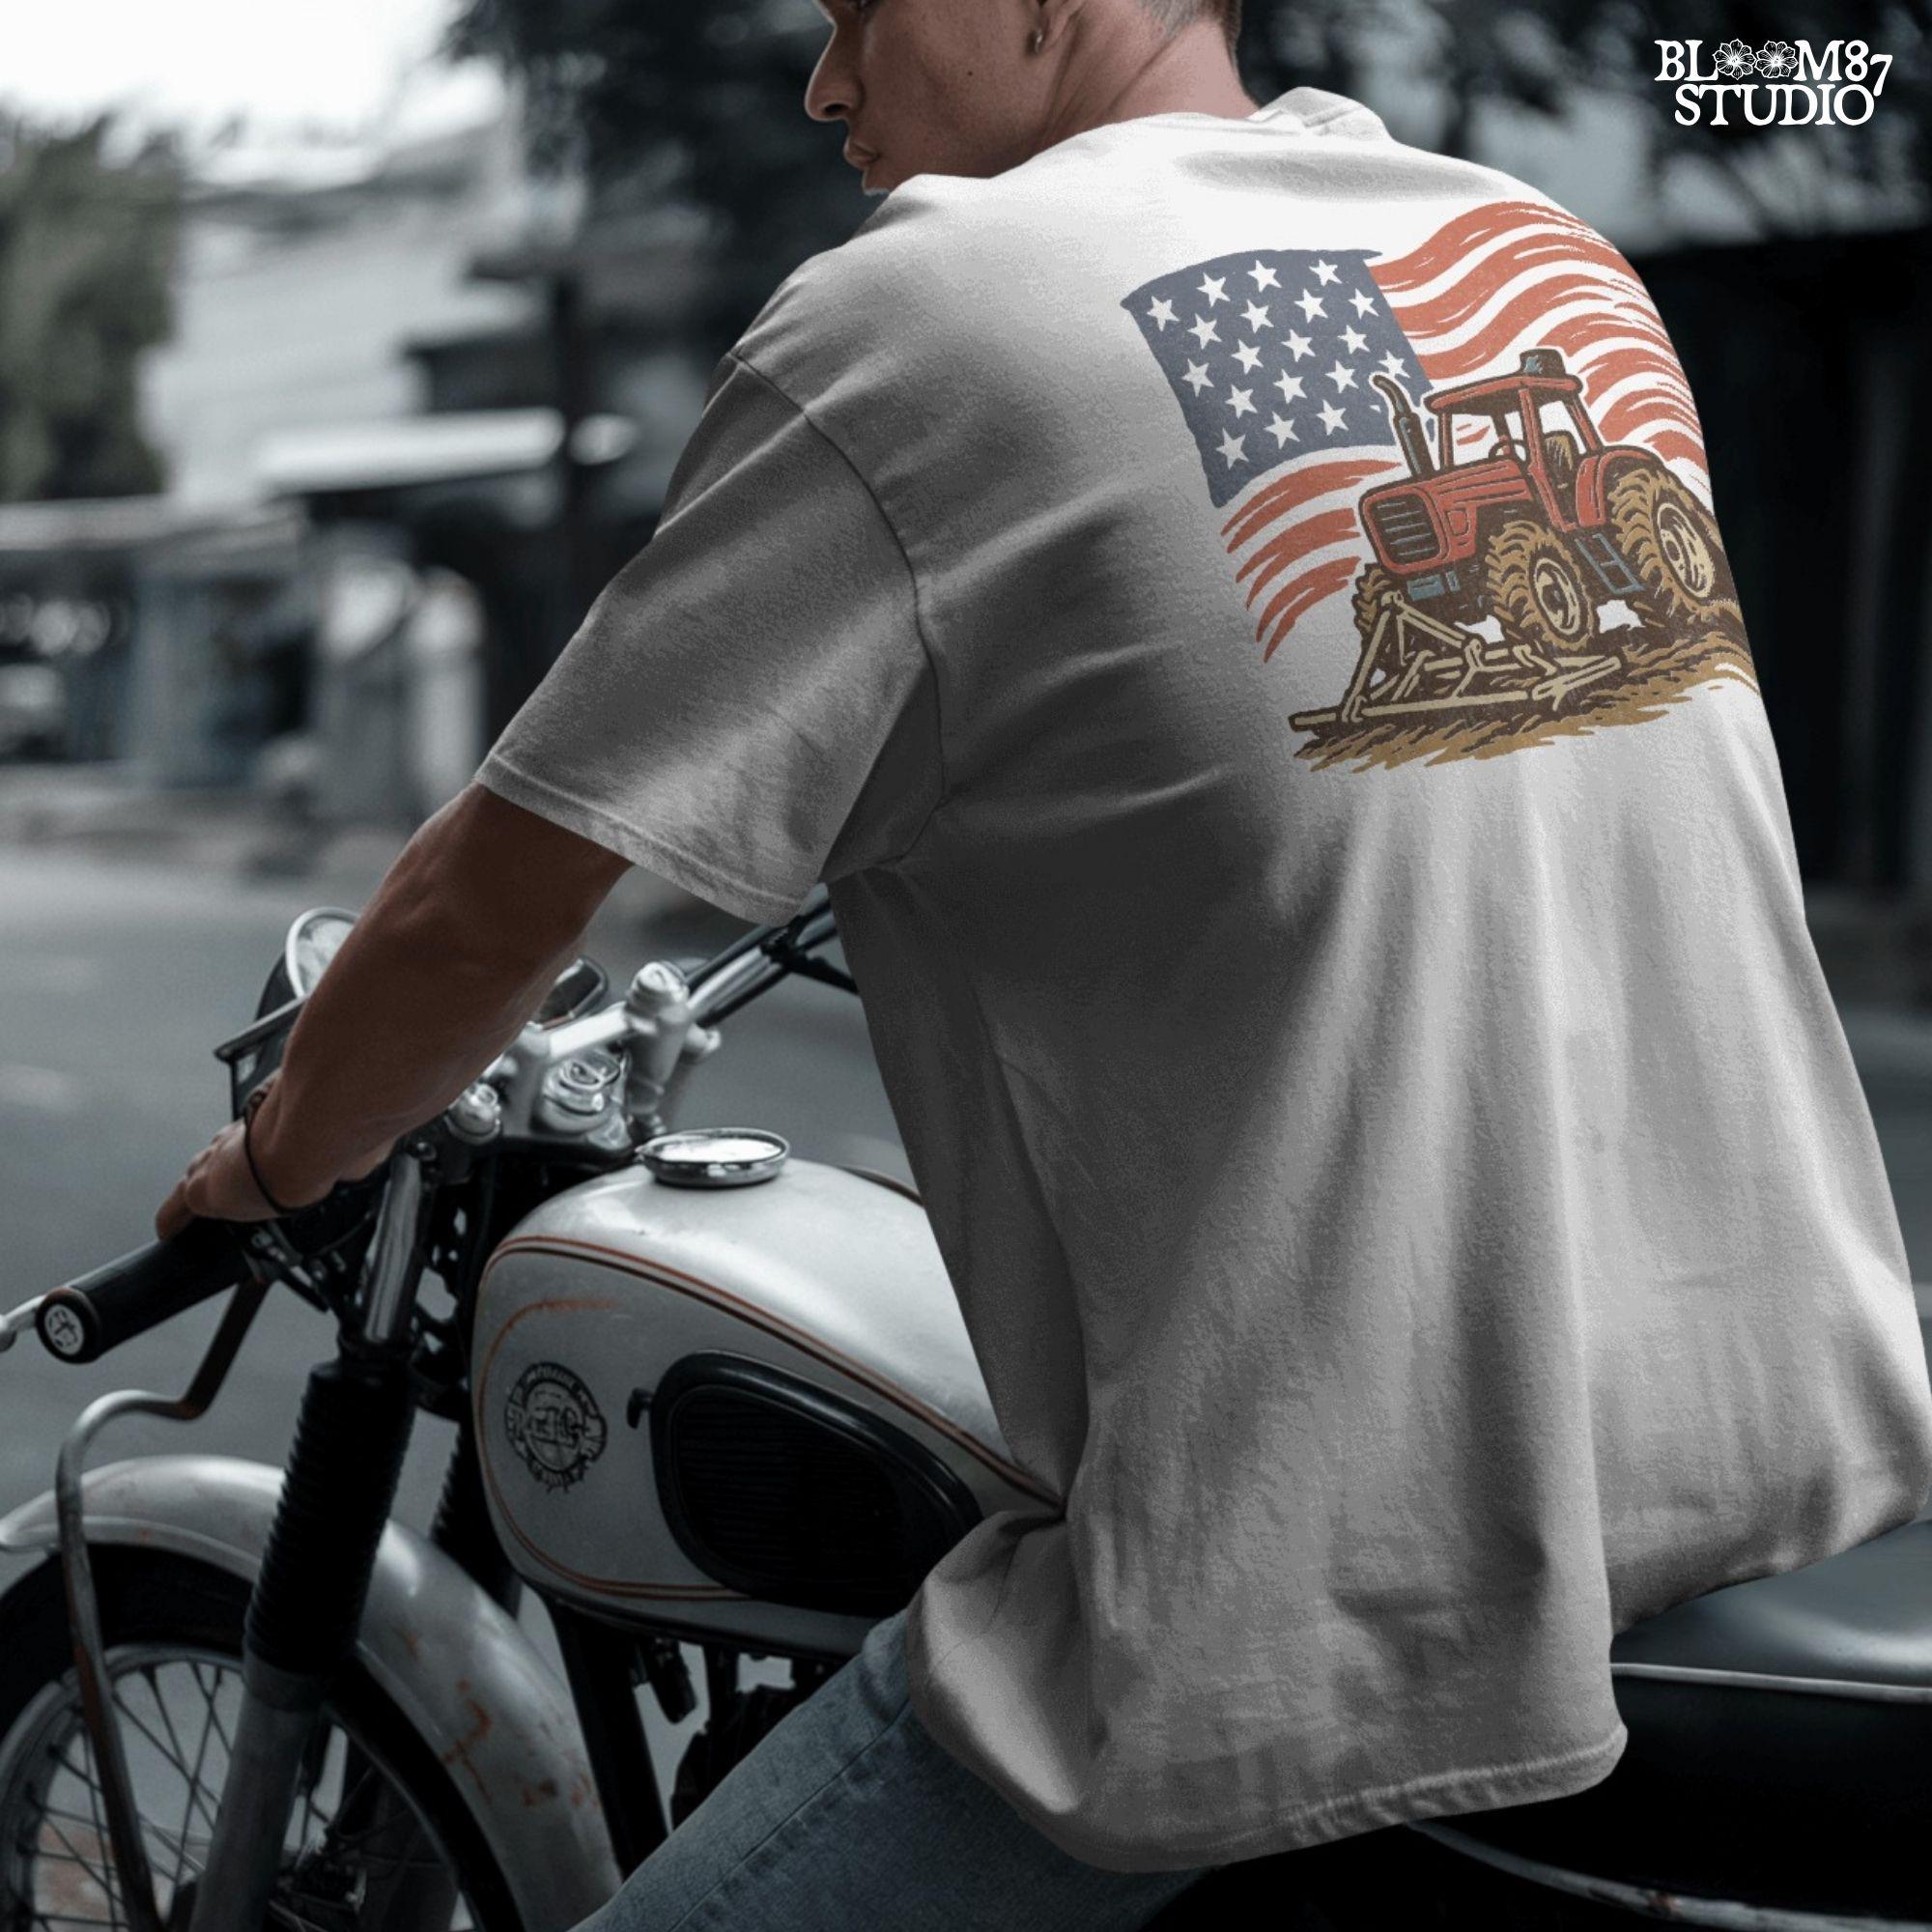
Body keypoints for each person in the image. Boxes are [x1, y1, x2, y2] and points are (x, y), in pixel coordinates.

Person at [156, 0, 1932, 1924]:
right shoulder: (1535, 254)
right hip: (1732, 1444)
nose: (828, 85)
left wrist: (273, 1161)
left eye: (854, 15)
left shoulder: (925, 318)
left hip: (1320, 1585)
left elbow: (489, 904)